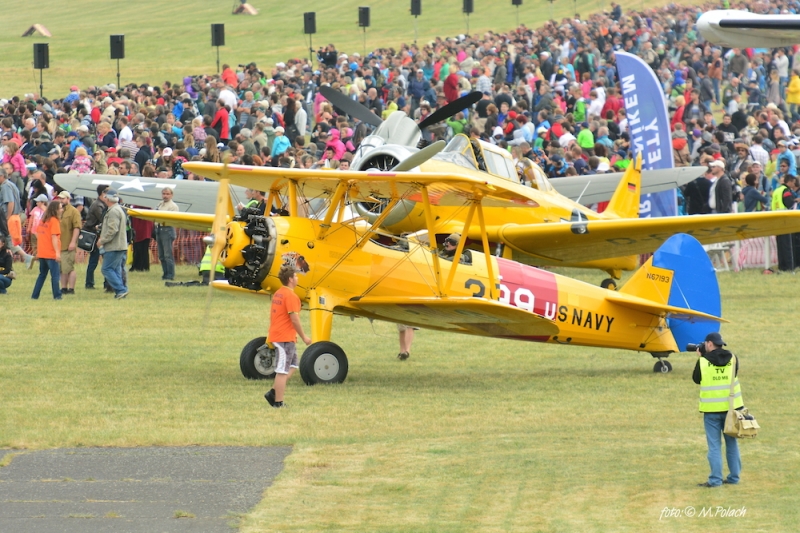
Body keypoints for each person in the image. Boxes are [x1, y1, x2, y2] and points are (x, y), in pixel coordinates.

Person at [692, 332, 742, 487]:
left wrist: (701, 357)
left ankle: (715, 480)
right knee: (732, 444)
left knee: (714, 447)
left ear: (709, 344)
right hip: (731, 410)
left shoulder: (703, 361)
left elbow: (696, 379)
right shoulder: (733, 358)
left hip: (711, 411)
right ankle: (734, 478)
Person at [264, 265, 312, 409]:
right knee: (282, 371)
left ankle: (273, 392)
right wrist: (304, 337)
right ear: (290, 279)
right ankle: (278, 402)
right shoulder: (291, 296)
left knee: (293, 365)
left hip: (281, 335)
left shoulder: (278, 293)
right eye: (296, 276)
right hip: (284, 338)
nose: (297, 278)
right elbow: (294, 319)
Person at [97, 189, 129, 299]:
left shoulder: (113, 211)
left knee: (106, 269)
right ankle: (122, 290)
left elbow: (112, 230)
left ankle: (121, 290)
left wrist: (102, 240)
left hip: (114, 246)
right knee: (115, 269)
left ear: (108, 199)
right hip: (120, 245)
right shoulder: (118, 209)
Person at [31, 200, 63, 300]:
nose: (62, 210)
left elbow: (37, 233)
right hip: (51, 253)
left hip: (42, 253)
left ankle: (34, 296)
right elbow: (54, 237)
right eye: (60, 208)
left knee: (42, 275)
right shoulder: (54, 221)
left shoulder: (43, 220)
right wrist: (57, 252)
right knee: (55, 276)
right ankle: (57, 296)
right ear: (55, 210)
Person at [57, 191, 82, 294]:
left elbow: (77, 227)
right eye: (60, 198)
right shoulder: (58, 211)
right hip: (59, 244)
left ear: (68, 199)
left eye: (63, 198)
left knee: (69, 268)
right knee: (62, 268)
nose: (61, 200)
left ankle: (71, 288)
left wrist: (73, 242)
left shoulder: (74, 211)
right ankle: (63, 288)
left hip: (68, 244)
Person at [83, 185, 108, 290]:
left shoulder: (99, 204)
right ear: (102, 193)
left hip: (95, 235)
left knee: (97, 260)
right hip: (93, 236)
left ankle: (94, 283)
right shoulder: (98, 205)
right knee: (95, 260)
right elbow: (104, 220)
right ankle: (89, 283)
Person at [155, 187, 179, 281]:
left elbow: (173, 219)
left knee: (167, 254)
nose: (165, 196)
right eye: (164, 194)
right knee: (161, 255)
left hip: (167, 229)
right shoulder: (160, 204)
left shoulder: (173, 206)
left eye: (167, 194)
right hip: (159, 228)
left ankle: (170, 274)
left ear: (171, 195)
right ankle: (165, 273)